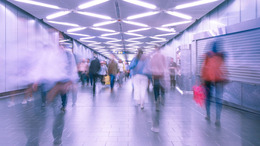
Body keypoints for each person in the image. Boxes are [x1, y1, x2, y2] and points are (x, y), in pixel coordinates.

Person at [201, 40, 227, 126]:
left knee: (208, 98)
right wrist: (226, 76)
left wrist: (202, 78)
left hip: (208, 79)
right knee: (218, 99)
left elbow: (204, 67)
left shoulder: (208, 55)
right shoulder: (221, 55)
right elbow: (224, 67)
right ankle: (217, 118)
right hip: (219, 79)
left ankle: (208, 115)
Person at [149, 46, 167, 111]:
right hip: (161, 74)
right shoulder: (163, 56)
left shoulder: (153, 57)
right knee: (162, 87)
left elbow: (151, 65)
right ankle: (162, 96)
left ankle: (156, 99)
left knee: (155, 88)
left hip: (155, 75)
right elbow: (165, 65)